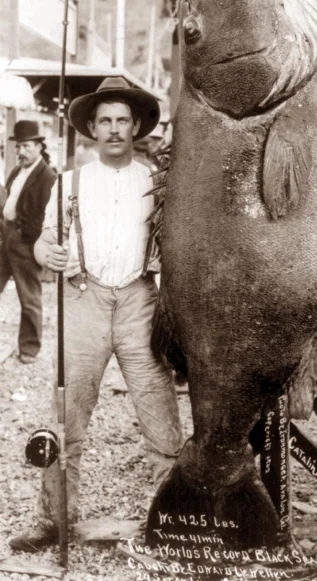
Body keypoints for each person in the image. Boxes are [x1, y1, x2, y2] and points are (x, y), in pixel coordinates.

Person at [9, 77, 183, 552]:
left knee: (159, 412)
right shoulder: (70, 181)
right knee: (68, 414)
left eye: (122, 120)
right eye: (104, 120)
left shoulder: (154, 178)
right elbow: (44, 240)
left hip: (138, 302)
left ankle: (176, 518)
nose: (113, 129)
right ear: (90, 127)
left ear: (135, 127)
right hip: (83, 301)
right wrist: (50, 255)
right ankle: (53, 519)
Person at [0, 120, 56, 363]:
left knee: (29, 297)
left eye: (26, 146)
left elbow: (46, 215)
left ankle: (30, 349)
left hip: (25, 242)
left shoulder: (47, 176)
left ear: (38, 147)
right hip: (6, 238)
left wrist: (26, 238)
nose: (21, 152)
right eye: (18, 147)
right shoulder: (17, 170)